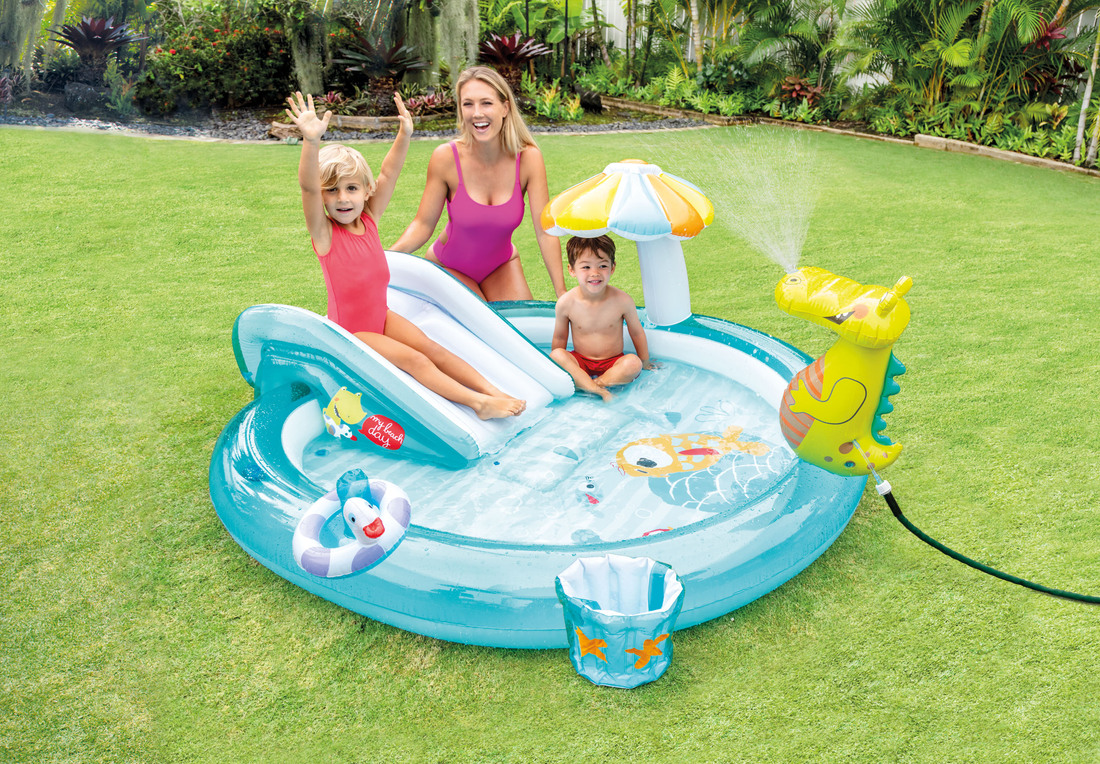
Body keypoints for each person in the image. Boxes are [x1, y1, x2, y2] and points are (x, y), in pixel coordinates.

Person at [285, 90, 525, 420]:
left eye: (352, 188)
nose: (343, 198)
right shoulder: (325, 234)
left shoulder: (369, 220)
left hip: (381, 317)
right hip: (352, 333)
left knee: (432, 348)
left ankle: (492, 391)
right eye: (333, 190)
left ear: (366, 190)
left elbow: (388, 174)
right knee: (415, 360)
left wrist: (405, 134)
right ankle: (478, 404)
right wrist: (311, 141)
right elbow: (308, 188)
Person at [391, 66, 565, 302]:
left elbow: (545, 231)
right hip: (449, 266)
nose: (477, 113)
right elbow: (422, 224)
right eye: (468, 104)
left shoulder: (528, 159)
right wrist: (384, 258)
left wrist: (561, 292)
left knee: (520, 323)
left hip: (501, 266)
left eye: (486, 103)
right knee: (481, 322)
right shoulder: (446, 158)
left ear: (505, 108)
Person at [550, 235, 657, 403]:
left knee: (633, 363)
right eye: (586, 267)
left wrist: (645, 361)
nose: (595, 273)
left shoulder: (622, 301)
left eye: (602, 266)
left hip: (613, 363)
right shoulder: (566, 303)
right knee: (556, 355)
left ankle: (593, 386)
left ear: (612, 268)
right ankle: (600, 391)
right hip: (580, 361)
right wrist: (556, 368)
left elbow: (636, 332)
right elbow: (560, 337)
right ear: (572, 270)